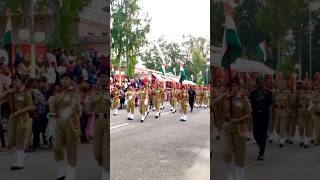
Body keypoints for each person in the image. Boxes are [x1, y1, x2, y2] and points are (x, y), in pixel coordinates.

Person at [52, 73, 82, 180]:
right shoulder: (59, 93)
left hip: (71, 123)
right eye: (62, 79)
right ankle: (61, 172)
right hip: (60, 123)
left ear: (70, 81)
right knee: (56, 147)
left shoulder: (74, 93)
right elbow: (55, 108)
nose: (64, 81)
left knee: (71, 149)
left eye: (66, 78)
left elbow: (78, 107)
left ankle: (70, 175)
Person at [5, 76, 36, 170]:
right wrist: (7, 92)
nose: (15, 82)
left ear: (21, 83)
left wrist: (20, 112)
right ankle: (22, 155)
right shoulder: (11, 93)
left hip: (22, 118)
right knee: (10, 141)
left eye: (17, 81)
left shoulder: (25, 93)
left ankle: (19, 162)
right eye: (14, 81)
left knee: (20, 139)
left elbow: (32, 107)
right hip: (12, 117)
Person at [222, 80, 250, 180]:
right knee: (226, 153)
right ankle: (230, 174)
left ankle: (240, 177)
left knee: (240, 155)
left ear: (238, 87)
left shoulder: (243, 98)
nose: (233, 88)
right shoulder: (225, 98)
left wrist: (238, 119)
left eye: (235, 86)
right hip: (227, 127)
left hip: (239, 127)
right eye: (231, 86)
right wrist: (225, 95)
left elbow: (248, 114)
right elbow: (213, 103)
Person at [89, 73, 109, 180]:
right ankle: (105, 167)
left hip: (107, 121)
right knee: (97, 151)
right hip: (97, 121)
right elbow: (88, 109)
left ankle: (106, 174)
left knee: (106, 149)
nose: (102, 79)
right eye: (100, 77)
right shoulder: (95, 93)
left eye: (104, 77)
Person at [249, 77, 273, 161]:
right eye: (259, 82)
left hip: (264, 115)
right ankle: (261, 144)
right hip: (256, 115)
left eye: (262, 82)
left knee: (262, 134)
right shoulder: (253, 93)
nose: (260, 84)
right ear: (257, 84)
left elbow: (271, 101)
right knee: (255, 133)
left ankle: (261, 153)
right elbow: (251, 102)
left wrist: (265, 95)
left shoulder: (268, 92)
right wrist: (258, 99)